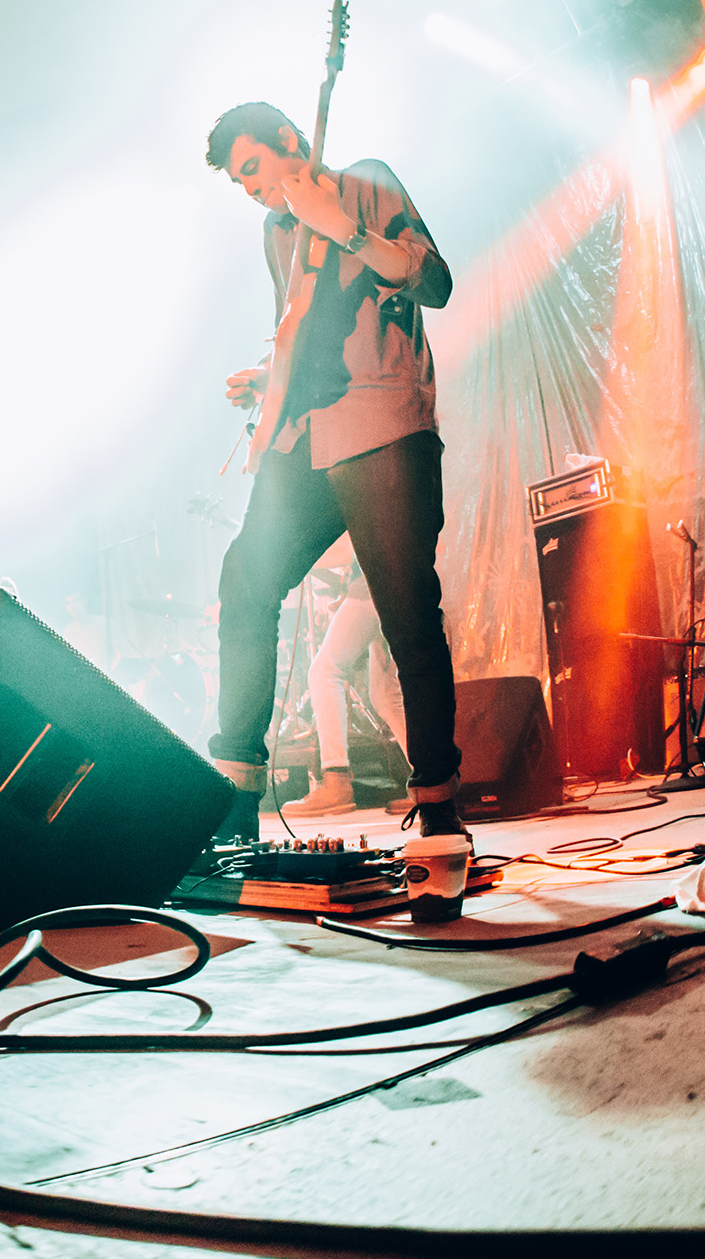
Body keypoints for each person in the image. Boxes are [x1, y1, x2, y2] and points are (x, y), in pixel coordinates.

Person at [203, 103, 466, 883]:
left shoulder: (365, 184)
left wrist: (345, 227)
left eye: (252, 168)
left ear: (290, 143)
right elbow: (300, 330)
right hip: (305, 437)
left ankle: (441, 811)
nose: (249, 189)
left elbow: (435, 283)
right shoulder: (275, 232)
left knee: (407, 611)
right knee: (245, 582)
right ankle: (234, 799)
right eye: (237, 180)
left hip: (382, 420)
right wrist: (268, 382)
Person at [283, 547, 408, 815]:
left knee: (325, 671)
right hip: (397, 579)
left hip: (374, 584)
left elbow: (344, 543)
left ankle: (336, 780)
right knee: (386, 695)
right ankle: (429, 782)